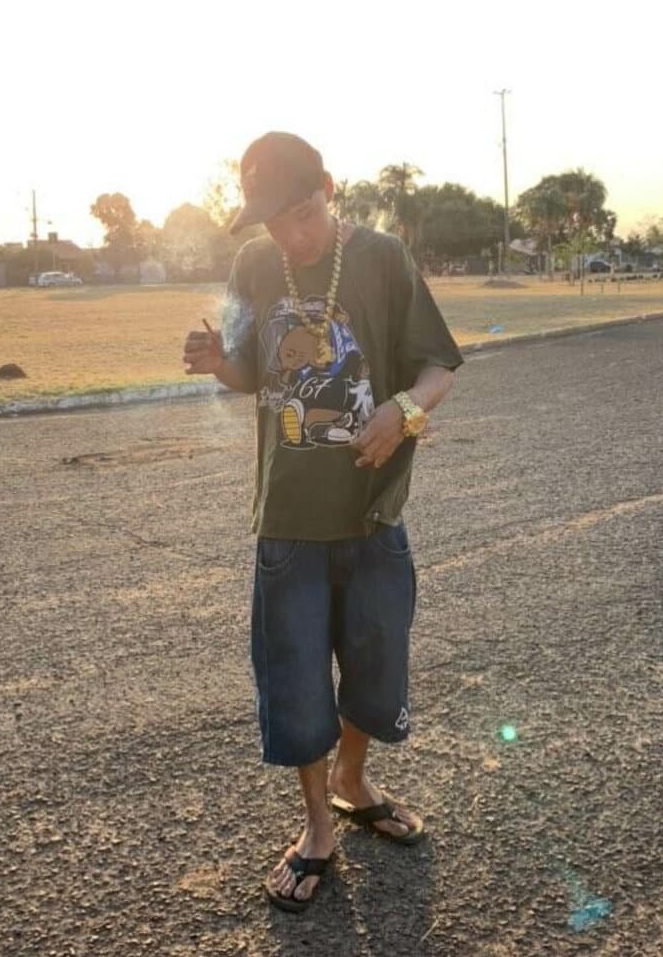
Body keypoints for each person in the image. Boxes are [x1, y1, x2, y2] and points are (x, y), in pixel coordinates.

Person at [182, 132, 463, 912]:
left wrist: (404, 411)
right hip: (288, 517)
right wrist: (216, 360)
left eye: (302, 215)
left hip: (373, 510)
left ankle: (353, 781)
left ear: (330, 190)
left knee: (376, 666)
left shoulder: (382, 257)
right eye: (274, 223)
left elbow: (438, 366)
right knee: (297, 677)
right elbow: (249, 372)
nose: (291, 237)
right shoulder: (254, 265)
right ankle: (317, 827)